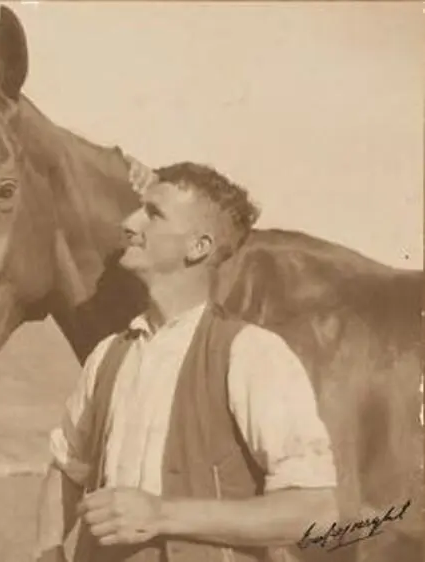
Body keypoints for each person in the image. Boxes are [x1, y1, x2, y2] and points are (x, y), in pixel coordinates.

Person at [34, 157, 339, 562]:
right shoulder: (106, 356)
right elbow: (66, 468)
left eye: (153, 214)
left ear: (199, 247)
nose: (129, 223)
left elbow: (316, 512)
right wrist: (47, 548)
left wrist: (162, 515)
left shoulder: (252, 354)